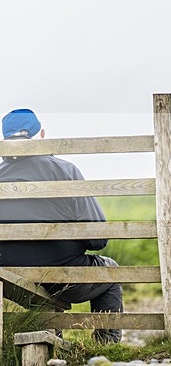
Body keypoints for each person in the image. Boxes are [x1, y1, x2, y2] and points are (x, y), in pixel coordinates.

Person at [0, 109, 123, 343]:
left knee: (39, 287)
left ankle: (51, 344)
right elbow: (98, 239)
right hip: (62, 277)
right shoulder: (65, 171)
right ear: (41, 135)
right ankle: (106, 345)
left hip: (9, 277)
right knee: (112, 272)